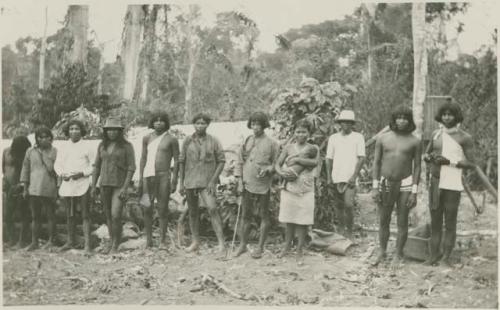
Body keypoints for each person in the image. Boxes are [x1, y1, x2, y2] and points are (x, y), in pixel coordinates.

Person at [423, 101, 475, 267]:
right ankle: (433, 256)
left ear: (456, 116)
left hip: (452, 184)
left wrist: (450, 162)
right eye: (444, 114)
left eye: (450, 114)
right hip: (436, 182)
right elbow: (427, 152)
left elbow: (471, 163)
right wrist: (428, 157)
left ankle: (446, 258)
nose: (447, 117)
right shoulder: (436, 134)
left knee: (450, 222)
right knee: (435, 221)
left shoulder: (464, 137)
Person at [371, 105, 421, 267]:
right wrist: (375, 186)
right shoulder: (383, 138)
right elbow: (376, 163)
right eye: (398, 117)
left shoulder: (415, 141)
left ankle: (398, 254)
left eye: (405, 118)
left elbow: (418, 167)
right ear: (394, 119)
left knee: (402, 220)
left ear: (409, 120)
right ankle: (382, 251)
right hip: (385, 183)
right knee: (384, 220)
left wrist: (414, 191)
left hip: (406, 183)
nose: (401, 121)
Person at [179, 113, 226, 254]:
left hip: (207, 181)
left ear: (207, 125)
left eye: (203, 123)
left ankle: (221, 243)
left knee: (212, 208)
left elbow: (221, 161)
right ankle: (195, 241)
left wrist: (213, 180)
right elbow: (181, 161)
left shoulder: (214, 141)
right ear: (193, 124)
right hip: (191, 180)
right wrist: (181, 183)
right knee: (193, 212)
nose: (200, 126)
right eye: (197, 123)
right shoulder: (187, 141)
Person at [234, 112, 279, 259]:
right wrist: (240, 182)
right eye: (253, 124)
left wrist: (269, 169)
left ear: (264, 125)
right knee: (245, 215)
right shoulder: (247, 140)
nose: (255, 127)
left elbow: (277, 164)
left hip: (263, 185)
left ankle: (260, 247)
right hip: (247, 183)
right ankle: (242, 245)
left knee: (263, 215)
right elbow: (240, 162)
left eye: (259, 124)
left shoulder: (272, 143)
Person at [275, 119, 319, 265]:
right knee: (289, 220)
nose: (300, 134)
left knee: (303, 221)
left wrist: (296, 161)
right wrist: (281, 173)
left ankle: (299, 250)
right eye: (298, 131)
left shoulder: (313, 148)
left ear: (309, 133)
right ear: (294, 133)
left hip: (305, 189)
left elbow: (314, 163)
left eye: (304, 132)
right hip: (289, 188)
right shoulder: (288, 148)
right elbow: (277, 164)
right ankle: (287, 246)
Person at [91, 118, 136, 254]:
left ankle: (116, 243)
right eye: (109, 130)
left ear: (119, 131)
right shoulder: (102, 145)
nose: (112, 132)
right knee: (108, 215)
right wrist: (93, 186)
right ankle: (112, 240)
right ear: (105, 131)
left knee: (116, 214)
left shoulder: (127, 146)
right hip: (104, 184)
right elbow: (97, 166)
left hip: (119, 184)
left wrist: (125, 187)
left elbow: (131, 167)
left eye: (115, 130)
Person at [138, 112, 179, 250]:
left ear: (166, 123)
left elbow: (177, 160)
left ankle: (162, 241)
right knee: (146, 207)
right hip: (147, 177)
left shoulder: (171, 139)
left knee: (162, 209)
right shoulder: (146, 138)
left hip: (163, 177)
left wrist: (174, 180)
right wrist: (140, 177)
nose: (159, 123)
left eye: (162, 121)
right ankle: (149, 240)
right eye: (156, 121)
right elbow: (143, 158)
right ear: (152, 123)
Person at [54, 120, 94, 254]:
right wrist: (62, 174)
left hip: (82, 183)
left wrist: (82, 173)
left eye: (77, 129)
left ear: (81, 131)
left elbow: (93, 166)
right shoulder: (64, 147)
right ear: (67, 131)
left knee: (85, 214)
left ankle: (87, 245)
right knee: (69, 214)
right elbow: (58, 164)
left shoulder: (87, 146)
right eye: (71, 129)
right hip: (68, 183)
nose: (73, 131)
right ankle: (71, 241)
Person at [325, 110, 366, 240]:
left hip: (350, 177)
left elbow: (361, 158)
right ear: (340, 123)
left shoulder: (358, 137)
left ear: (352, 124)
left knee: (348, 204)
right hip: (336, 175)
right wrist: (328, 176)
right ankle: (341, 229)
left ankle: (349, 231)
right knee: (338, 205)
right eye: (344, 122)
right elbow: (328, 159)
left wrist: (354, 176)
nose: (346, 125)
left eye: (349, 122)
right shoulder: (334, 138)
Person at [20, 127, 58, 251]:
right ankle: (34, 242)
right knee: (35, 216)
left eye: (46, 136)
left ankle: (51, 241)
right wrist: (25, 188)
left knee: (50, 215)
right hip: (34, 188)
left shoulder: (55, 151)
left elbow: (57, 170)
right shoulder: (30, 151)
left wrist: (58, 189)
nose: (43, 139)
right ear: (36, 138)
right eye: (40, 137)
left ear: (50, 138)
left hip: (49, 187)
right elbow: (25, 170)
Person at [3, 135, 32, 248]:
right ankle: (11, 239)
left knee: (24, 215)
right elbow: (4, 168)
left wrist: (23, 186)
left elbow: (30, 172)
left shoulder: (27, 154)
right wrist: (5, 182)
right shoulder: (6, 152)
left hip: (22, 187)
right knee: (8, 215)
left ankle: (22, 241)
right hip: (10, 187)